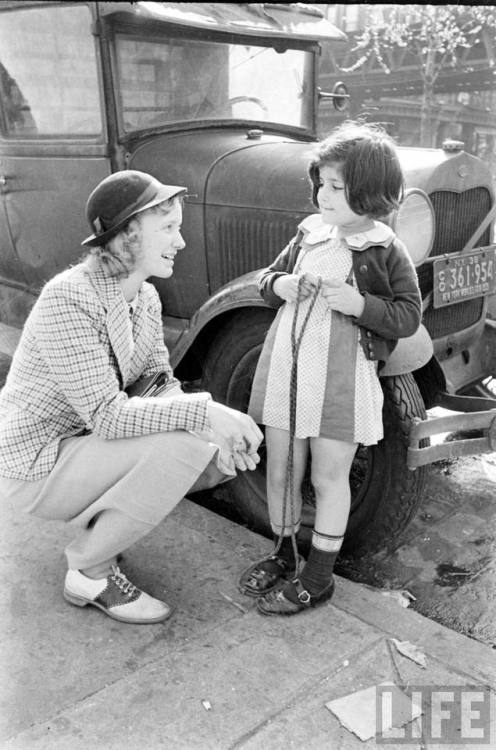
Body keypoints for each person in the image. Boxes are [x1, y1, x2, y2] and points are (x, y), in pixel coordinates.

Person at [0, 170, 262, 625]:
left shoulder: (145, 297)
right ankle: (91, 571)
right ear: (125, 237)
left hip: (79, 447)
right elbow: (107, 415)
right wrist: (205, 412)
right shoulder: (69, 297)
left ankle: (100, 527)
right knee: (179, 448)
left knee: (210, 453)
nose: (180, 242)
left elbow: (157, 380)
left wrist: (210, 429)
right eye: (168, 228)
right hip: (33, 463)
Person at [242, 121, 421, 616]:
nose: (323, 194)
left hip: (341, 376)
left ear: (369, 192)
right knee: (281, 466)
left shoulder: (385, 248)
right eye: (321, 182)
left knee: (327, 476)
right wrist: (279, 287)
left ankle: (318, 575)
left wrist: (360, 304)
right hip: (289, 366)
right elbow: (266, 278)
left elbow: (408, 315)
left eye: (336, 187)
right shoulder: (309, 233)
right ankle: (284, 552)